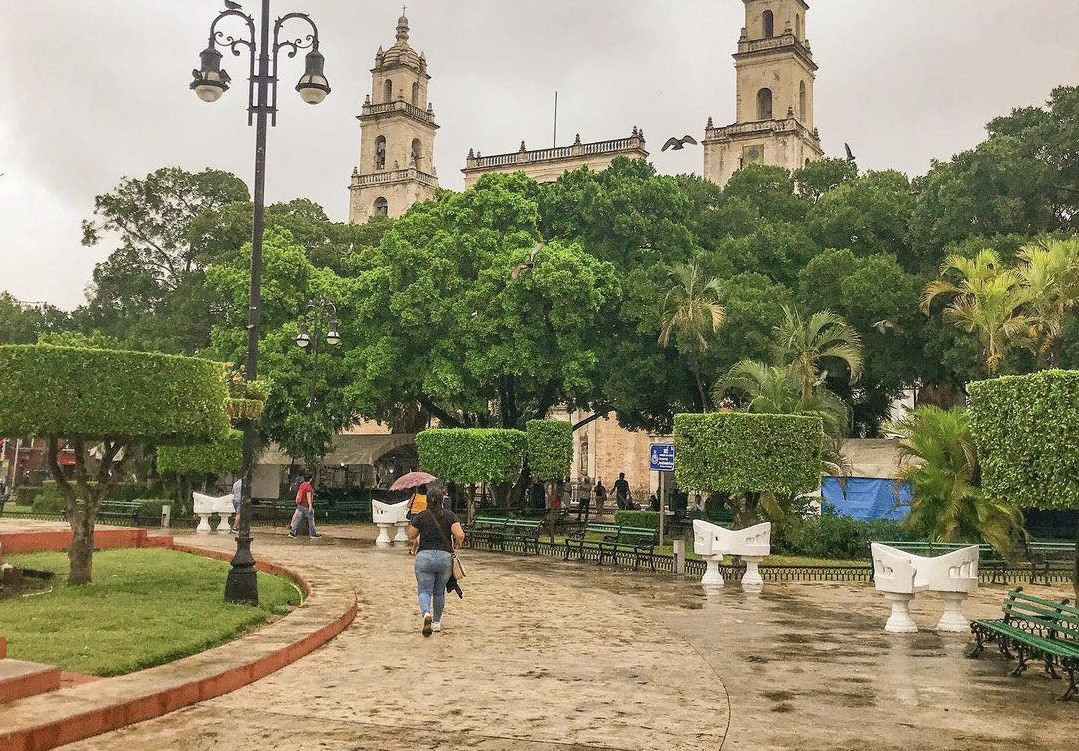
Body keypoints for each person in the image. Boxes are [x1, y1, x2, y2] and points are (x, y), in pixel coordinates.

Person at [406, 486, 465, 636]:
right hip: (444, 559)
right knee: (439, 592)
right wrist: (456, 545)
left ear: (427, 500)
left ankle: (426, 614)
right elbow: (460, 535)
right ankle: (437, 623)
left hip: (424, 557)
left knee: (425, 590)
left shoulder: (421, 516)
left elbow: (411, 535)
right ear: (442, 501)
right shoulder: (450, 516)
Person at [289, 471, 321, 539]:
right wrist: (310, 506)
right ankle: (313, 533)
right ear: (310, 479)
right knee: (311, 519)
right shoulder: (308, 486)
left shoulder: (302, 485)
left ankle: (292, 531)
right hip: (306, 506)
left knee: (298, 519)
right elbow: (308, 497)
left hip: (300, 505)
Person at [407, 484, 428, 554]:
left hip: (414, 516)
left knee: (417, 534)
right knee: (420, 533)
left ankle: (421, 548)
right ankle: (413, 550)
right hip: (424, 515)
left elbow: (408, 505)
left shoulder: (415, 495)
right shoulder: (427, 497)